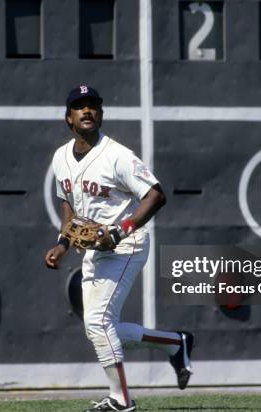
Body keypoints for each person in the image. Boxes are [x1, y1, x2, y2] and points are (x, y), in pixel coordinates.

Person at [44, 85, 194, 412]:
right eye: (79, 106)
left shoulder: (118, 155)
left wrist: (121, 230)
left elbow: (156, 195)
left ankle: (121, 400)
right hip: (96, 250)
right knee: (99, 327)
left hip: (128, 244)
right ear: (68, 117)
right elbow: (68, 204)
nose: (87, 110)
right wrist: (63, 243)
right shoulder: (60, 157)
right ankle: (176, 343)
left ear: (101, 113)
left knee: (98, 323)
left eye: (93, 105)